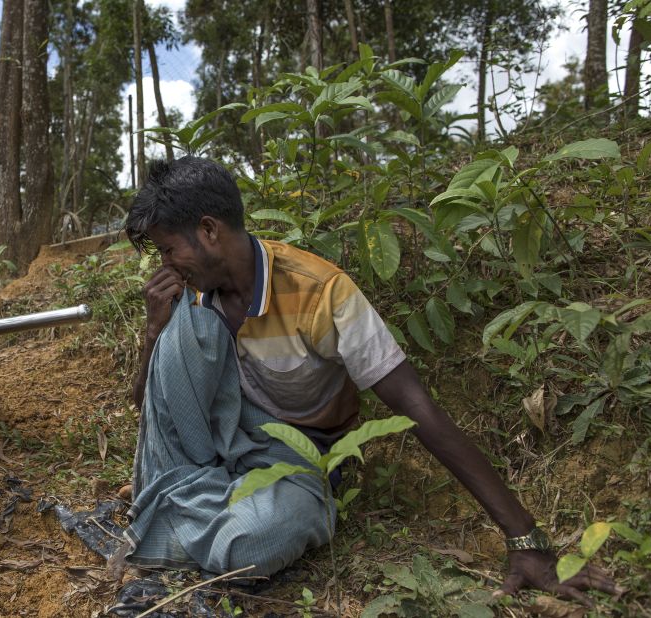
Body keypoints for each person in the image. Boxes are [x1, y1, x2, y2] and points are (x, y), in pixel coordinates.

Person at [118, 156, 618, 603]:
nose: (165, 265)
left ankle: (177, 506)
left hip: (296, 453)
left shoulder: (321, 293)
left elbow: (416, 408)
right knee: (187, 325)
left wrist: (524, 538)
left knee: (253, 540)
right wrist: (154, 333)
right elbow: (152, 408)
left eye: (167, 250)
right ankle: (187, 500)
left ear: (208, 230)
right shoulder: (194, 295)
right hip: (222, 437)